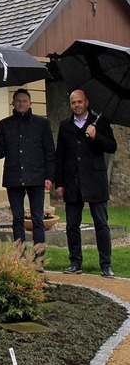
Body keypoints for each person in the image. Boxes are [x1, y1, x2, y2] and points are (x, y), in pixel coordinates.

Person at [0, 88, 55, 266]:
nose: (21, 103)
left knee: (38, 219)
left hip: (36, 177)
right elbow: (0, 153)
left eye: (24, 100)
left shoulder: (42, 123)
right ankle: (19, 257)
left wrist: (49, 176)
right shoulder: (4, 124)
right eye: (18, 100)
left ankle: (38, 259)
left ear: (30, 103)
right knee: (17, 218)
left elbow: (49, 151)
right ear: (13, 103)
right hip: (14, 177)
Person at [55, 89, 117, 277]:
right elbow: (60, 156)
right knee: (72, 225)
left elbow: (112, 147)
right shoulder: (65, 125)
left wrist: (96, 135)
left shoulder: (100, 122)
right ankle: (75, 262)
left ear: (87, 102)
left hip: (95, 180)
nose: (76, 105)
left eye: (79, 102)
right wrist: (59, 182)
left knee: (101, 223)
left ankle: (105, 264)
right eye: (73, 102)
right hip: (72, 181)